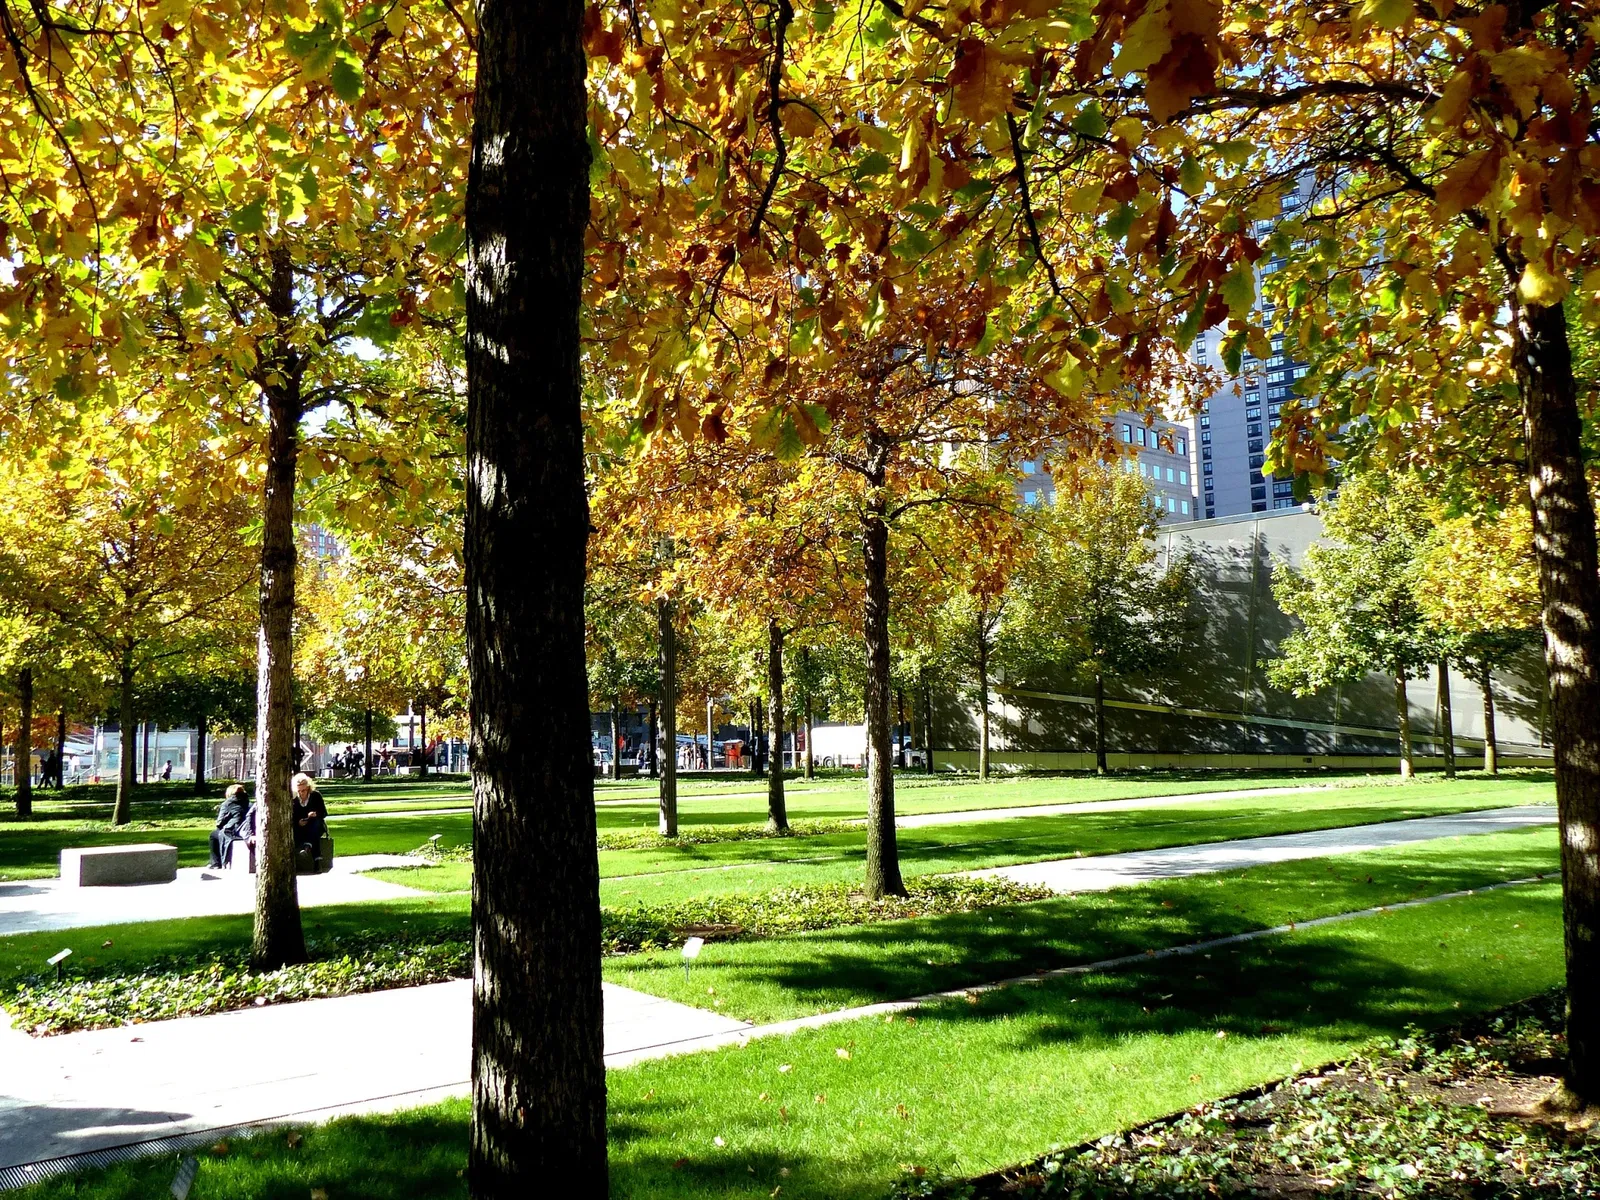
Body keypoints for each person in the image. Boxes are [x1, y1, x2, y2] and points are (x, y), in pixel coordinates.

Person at [208, 784, 252, 869]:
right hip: (246, 831)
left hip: (232, 832)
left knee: (213, 835)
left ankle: (216, 863)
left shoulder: (227, 804)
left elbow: (219, 823)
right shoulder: (249, 803)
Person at [291, 772, 328, 850]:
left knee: (315, 825)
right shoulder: (294, 800)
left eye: (303, 790)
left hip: (315, 824)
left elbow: (324, 813)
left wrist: (316, 814)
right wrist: (299, 822)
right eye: (299, 791)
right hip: (300, 827)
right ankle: (314, 855)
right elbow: (293, 816)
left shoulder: (316, 796)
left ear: (308, 788)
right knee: (297, 830)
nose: (301, 793)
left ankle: (307, 846)